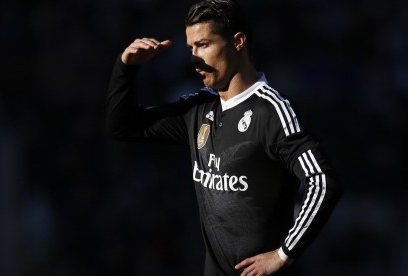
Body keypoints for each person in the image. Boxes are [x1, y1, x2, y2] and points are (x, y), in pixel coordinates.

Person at [106, 0, 343, 275]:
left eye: (204, 45)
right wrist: (126, 68)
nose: (194, 57)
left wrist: (284, 254)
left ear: (238, 42)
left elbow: (324, 181)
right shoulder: (198, 109)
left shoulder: (271, 111)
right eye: (191, 48)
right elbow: (122, 127)